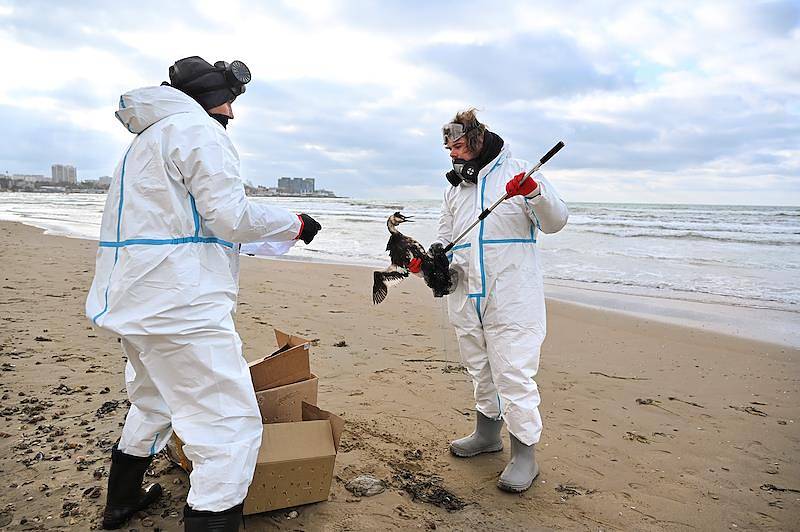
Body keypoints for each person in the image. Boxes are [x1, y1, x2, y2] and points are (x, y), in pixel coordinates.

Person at [85, 56, 321, 531]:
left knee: (153, 400)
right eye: (229, 103)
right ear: (215, 101)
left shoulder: (144, 143)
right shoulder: (198, 131)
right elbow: (231, 217)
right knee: (228, 430)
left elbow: (184, 226)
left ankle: (122, 502)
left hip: (133, 302)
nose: (232, 114)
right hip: (180, 310)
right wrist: (295, 224)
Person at [433, 109, 568, 492]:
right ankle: (487, 433)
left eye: (458, 145)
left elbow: (556, 221)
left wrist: (534, 194)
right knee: (479, 366)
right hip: (465, 292)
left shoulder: (522, 171)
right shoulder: (456, 189)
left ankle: (525, 454)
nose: (452, 154)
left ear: (476, 139)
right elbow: (445, 235)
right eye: (448, 147)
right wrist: (433, 258)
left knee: (512, 371)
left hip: (511, 294)